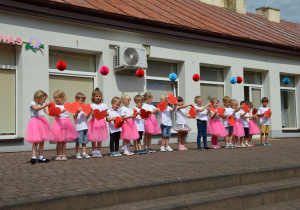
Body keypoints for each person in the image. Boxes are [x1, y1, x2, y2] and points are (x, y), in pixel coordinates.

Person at [26, 90, 54, 164]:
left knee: (42, 141)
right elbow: (36, 108)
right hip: (35, 122)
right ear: (39, 98)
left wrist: (56, 112)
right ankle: (34, 157)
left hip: (42, 123)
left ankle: (41, 157)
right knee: (35, 141)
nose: (44, 101)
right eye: (43, 99)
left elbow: (48, 113)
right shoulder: (33, 103)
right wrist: (45, 105)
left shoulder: (43, 106)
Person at [52, 90, 79, 161]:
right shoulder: (54, 106)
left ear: (63, 97)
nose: (56, 99)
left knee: (64, 141)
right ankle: (58, 155)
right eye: (55, 98)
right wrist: (61, 112)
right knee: (59, 141)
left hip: (66, 123)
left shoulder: (66, 105)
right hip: (58, 123)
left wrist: (77, 110)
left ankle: (63, 154)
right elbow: (55, 114)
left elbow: (73, 110)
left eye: (58, 97)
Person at [88, 88, 108, 157]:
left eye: (99, 96)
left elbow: (105, 113)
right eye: (96, 96)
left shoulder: (104, 105)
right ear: (93, 97)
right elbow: (91, 113)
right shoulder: (92, 105)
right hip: (94, 122)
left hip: (101, 122)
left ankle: (99, 151)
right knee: (93, 138)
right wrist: (91, 112)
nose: (98, 98)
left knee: (100, 138)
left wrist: (107, 114)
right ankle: (94, 151)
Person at [73, 92, 91, 159]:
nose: (83, 102)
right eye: (81, 100)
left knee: (84, 141)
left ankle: (84, 153)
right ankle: (77, 153)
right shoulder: (74, 108)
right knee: (78, 142)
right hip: (78, 128)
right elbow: (75, 117)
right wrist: (77, 112)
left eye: (84, 100)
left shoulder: (84, 108)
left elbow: (86, 117)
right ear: (77, 100)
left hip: (85, 127)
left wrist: (89, 113)